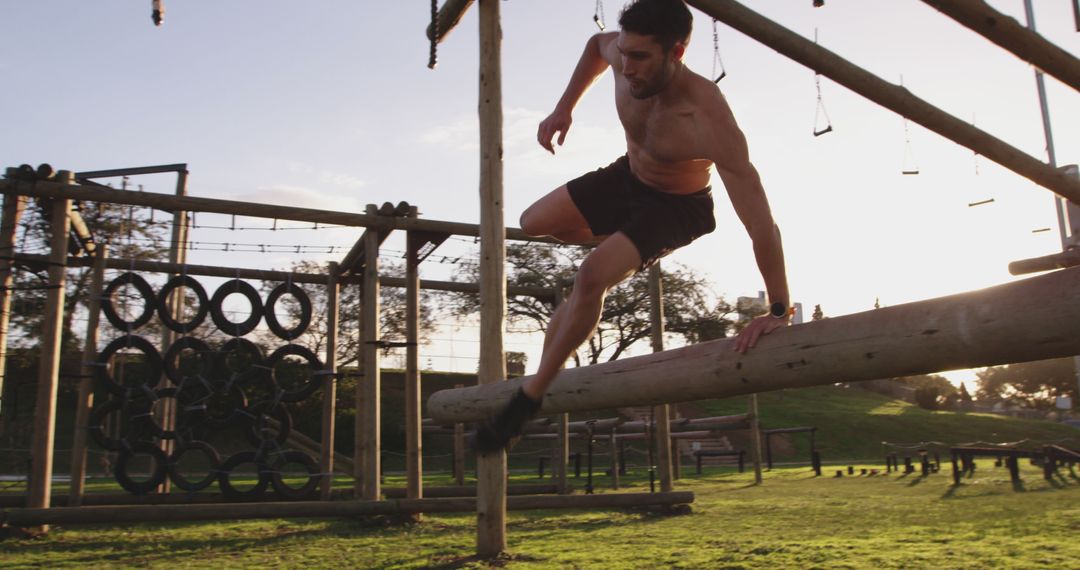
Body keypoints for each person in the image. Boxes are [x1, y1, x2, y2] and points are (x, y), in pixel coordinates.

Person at [473, 0, 791, 453]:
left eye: (640, 57)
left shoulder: (707, 114)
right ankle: (627, 247)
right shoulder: (619, 55)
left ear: (676, 54)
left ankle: (527, 400)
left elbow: (760, 221)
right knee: (534, 222)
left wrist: (779, 308)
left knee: (591, 276)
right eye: (623, 53)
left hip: (677, 207)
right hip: (629, 178)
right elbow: (592, 47)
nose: (627, 66)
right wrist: (564, 108)